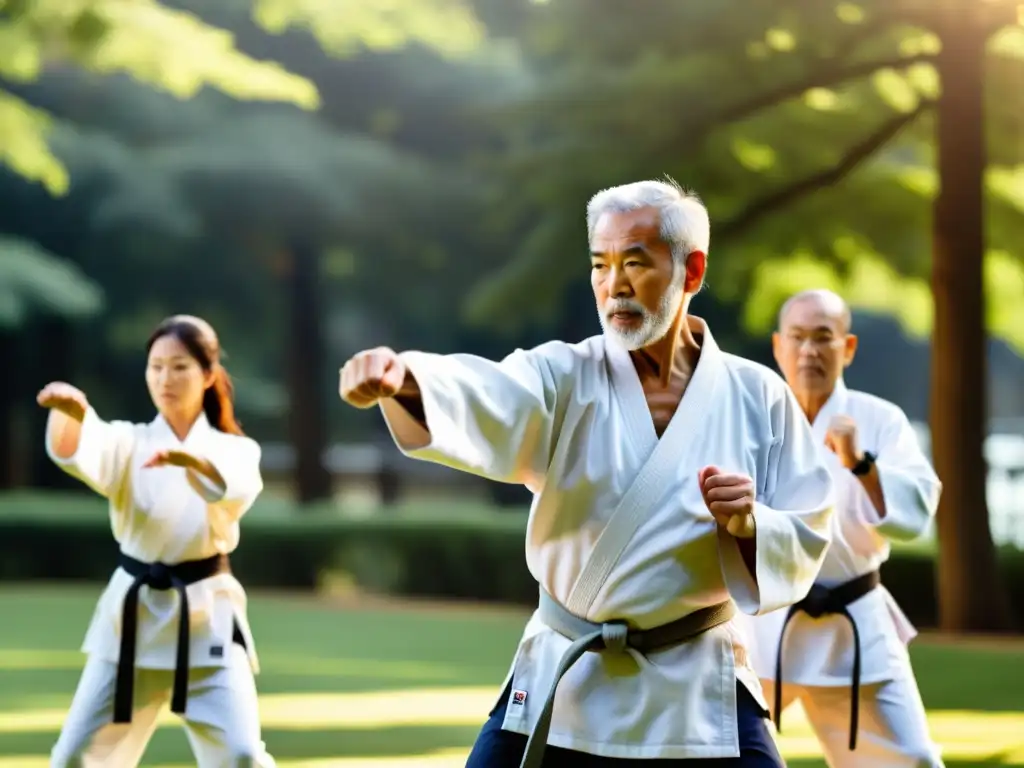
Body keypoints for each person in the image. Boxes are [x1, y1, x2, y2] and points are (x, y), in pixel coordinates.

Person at [339, 178, 836, 767]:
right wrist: (406, 380)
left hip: (695, 679)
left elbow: (807, 529)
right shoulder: (561, 375)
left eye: (634, 262)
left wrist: (750, 525)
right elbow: (490, 394)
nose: (614, 286)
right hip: (569, 672)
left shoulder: (759, 396)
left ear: (692, 271)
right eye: (600, 265)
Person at [39, 315, 275, 768]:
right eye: (156, 366)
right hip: (131, 624)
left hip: (208, 619)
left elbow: (232, 486)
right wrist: (74, 416)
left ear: (208, 375)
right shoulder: (130, 442)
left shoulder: (236, 450)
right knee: (74, 758)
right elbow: (85, 449)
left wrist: (196, 464)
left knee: (243, 755)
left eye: (180, 367)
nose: (165, 378)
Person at [740, 289, 943, 767]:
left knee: (913, 759)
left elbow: (916, 512)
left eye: (823, 338)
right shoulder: (750, 417)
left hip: (855, 626)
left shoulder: (879, 420)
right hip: (765, 627)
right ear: (778, 346)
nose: (809, 350)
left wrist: (862, 464)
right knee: (716, 751)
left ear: (847, 348)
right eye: (798, 337)